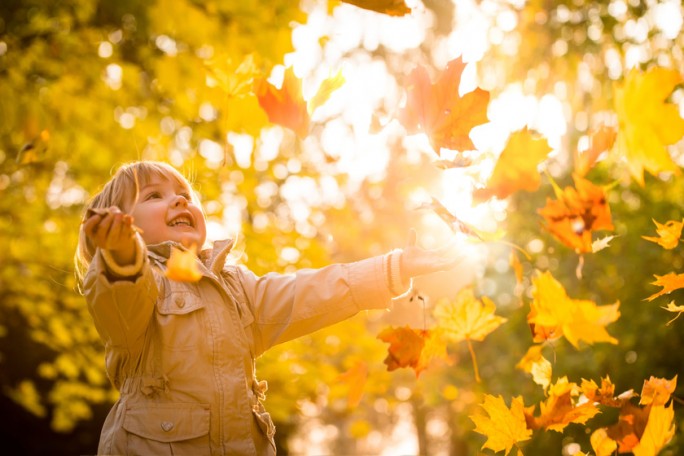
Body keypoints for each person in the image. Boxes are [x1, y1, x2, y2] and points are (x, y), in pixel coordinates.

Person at [75, 160, 464, 455]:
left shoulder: (236, 287)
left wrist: (395, 268)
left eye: (184, 194)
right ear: (124, 227)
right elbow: (118, 300)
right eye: (153, 196)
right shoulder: (136, 284)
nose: (179, 199)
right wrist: (122, 255)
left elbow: (309, 292)